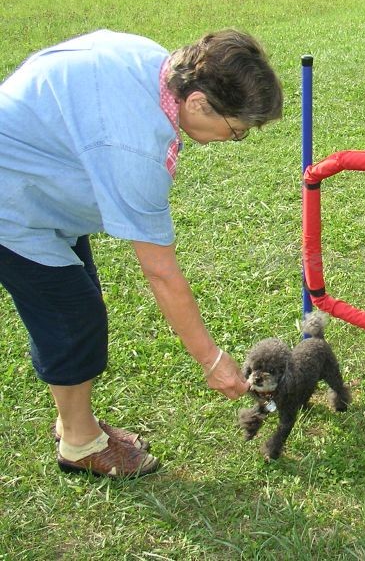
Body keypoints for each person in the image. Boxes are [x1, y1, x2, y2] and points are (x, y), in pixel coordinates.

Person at [0, 29, 283, 478]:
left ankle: (75, 420)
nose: (233, 141)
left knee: (78, 299)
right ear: (197, 104)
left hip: (41, 180)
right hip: (12, 205)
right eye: (236, 132)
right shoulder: (133, 148)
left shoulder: (157, 64)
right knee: (72, 318)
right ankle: (78, 443)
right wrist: (211, 360)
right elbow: (161, 273)